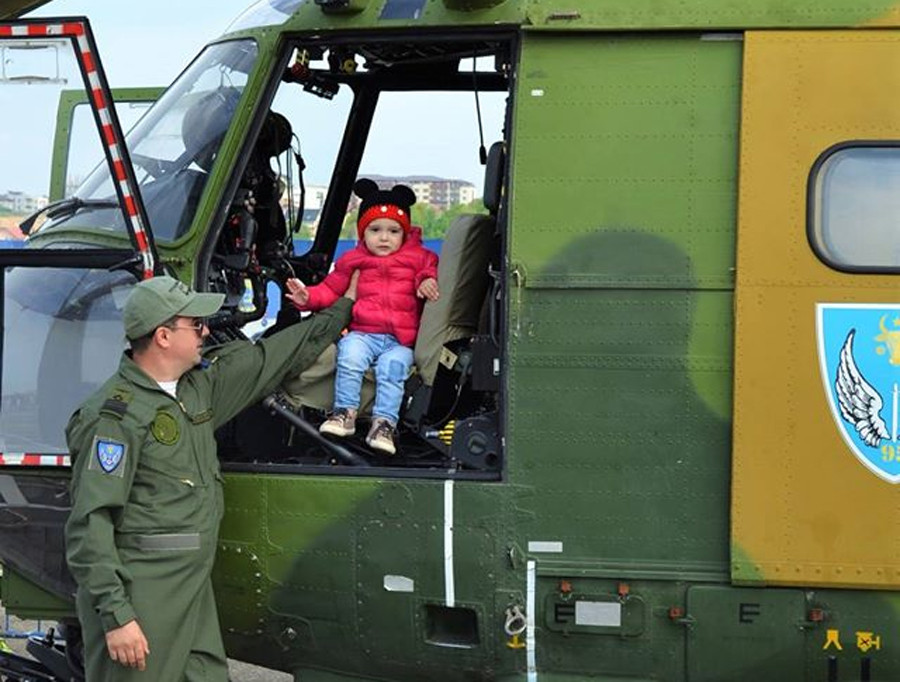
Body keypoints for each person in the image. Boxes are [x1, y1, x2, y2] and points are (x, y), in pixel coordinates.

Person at [64, 274, 355, 681]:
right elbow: (89, 524)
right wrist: (117, 617)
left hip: (193, 590)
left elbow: (274, 357)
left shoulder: (196, 391)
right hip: (143, 594)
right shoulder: (114, 418)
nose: (206, 331)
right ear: (163, 336)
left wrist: (346, 307)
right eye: (195, 324)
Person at [285, 179, 439, 455]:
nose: (384, 237)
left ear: (404, 234)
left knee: (392, 369)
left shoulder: (418, 258)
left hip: (400, 342)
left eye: (393, 231)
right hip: (364, 333)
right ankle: (345, 413)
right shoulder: (353, 260)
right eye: (375, 230)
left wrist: (427, 281)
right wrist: (308, 297)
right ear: (362, 233)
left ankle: (384, 425)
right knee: (350, 355)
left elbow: (430, 270)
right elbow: (332, 290)